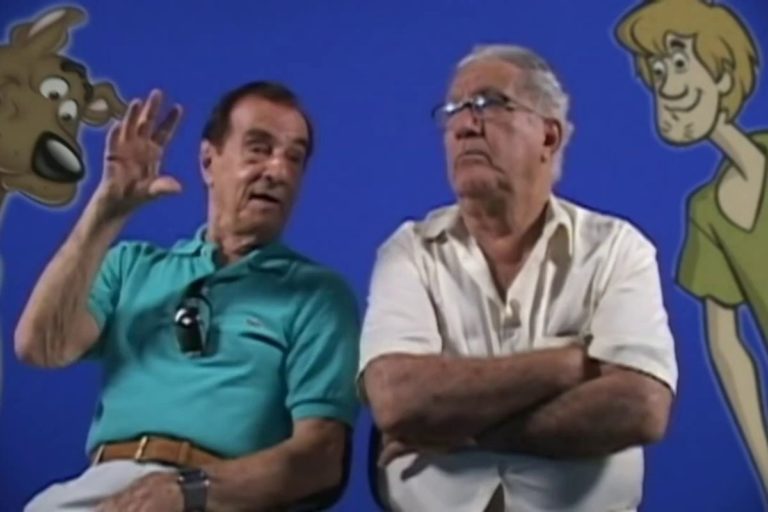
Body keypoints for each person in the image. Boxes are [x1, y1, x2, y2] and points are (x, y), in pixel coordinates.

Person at [358, 44, 678, 512]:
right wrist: (566, 364)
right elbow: (398, 399)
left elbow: (639, 406)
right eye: (453, 111)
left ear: (548, 136)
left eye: (489, 104)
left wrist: (463, 434)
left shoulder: (617, 250)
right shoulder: (409, 251)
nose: (464, 126)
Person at [16, 81, 361, 512]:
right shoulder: (131, 266)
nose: (278, 170)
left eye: (294, 157)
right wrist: (106, 212)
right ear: (208, 161)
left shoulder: (316, 295)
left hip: (217, 497)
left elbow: (320, 459)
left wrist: (189, 491)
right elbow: (40, 347)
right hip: (101, 490)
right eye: (259, 149)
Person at [615, 0, 767, 498]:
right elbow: (728, 349)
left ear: (722, 75)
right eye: (658, 73)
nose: (668, 86)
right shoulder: (707, 212)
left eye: (679, 63)